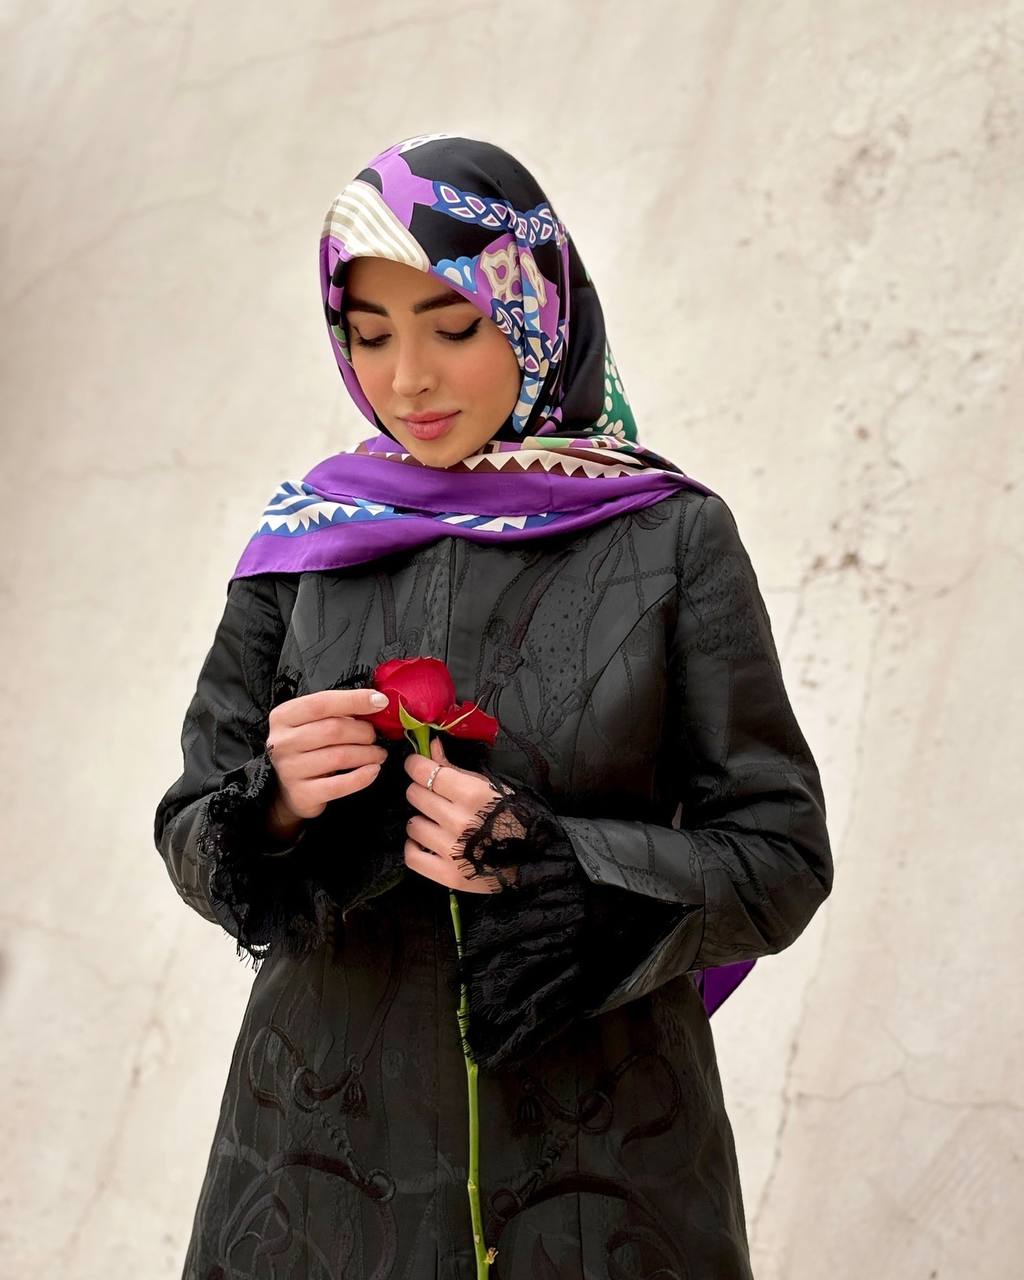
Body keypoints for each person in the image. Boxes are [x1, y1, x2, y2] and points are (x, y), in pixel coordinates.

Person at [153, 131, 834, 1280]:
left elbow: (780, 854)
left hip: (598, 1172)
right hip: (313, 1174)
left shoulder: (669, 538)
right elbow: (190, 822)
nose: (407, 378)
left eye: (453, 326)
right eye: (371, 334)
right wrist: (272, 807)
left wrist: (562, 867)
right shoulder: (304, 542)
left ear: (533, 310)